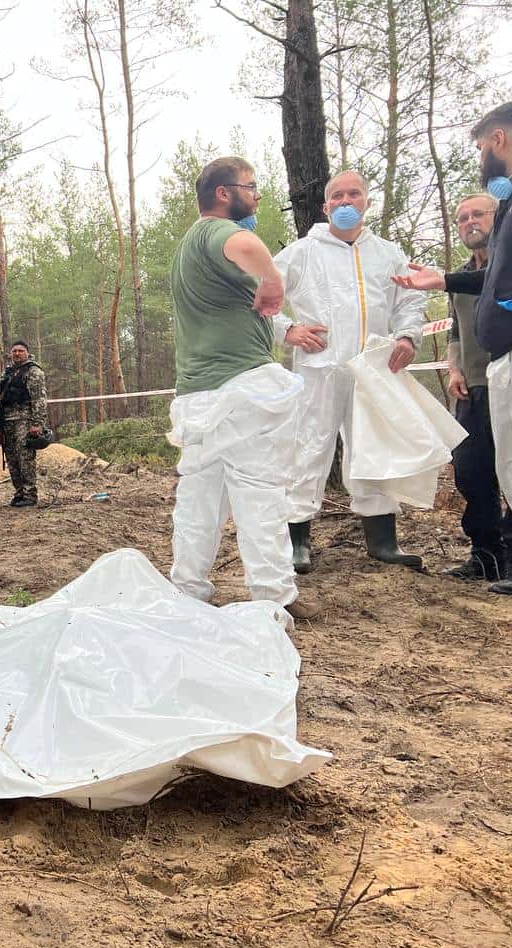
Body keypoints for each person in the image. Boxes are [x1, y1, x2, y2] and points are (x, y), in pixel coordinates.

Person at [393, 100, 512, 619]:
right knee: (510, 469)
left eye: (479, 148)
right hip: (501, 359)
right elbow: (491, 282)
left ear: (498, 139)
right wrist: (444, 280)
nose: (480, 158)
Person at [167, 156, 316, 621]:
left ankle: (187, 589)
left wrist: (284, 327)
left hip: (199, 394)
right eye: (251, 188)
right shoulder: (217, 232)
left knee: (200, 498)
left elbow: (231, 307)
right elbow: (247, 245)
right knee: (260, 492)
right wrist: (273, 280)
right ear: (224, 193)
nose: (256, 197)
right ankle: (274, 597)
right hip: (241, 391)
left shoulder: (190, 247)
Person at [273, 170, 427, 573]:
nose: (345, 202)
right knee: (308, 446)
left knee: (373, 446)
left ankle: (383, 541)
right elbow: (259, 294)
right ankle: (296, 540)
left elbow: (409, 300)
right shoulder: (301, 252)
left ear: (367, 202)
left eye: (353, 194)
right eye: (337, 196)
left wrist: (407, 336)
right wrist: (288, 329)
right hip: (319, 369)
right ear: (326, 207)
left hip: (373, 368)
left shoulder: (388, 253)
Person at [443, 193, 512, 581]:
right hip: (472, 387)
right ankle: (485, 554)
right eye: (462, 218)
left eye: (478, 214)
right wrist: (454, 369)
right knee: (470, 471)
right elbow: (455, 329)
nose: (469, 222)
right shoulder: (460, 276)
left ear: (499, 218)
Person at [0, 340, 48, 507]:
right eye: (14, 351)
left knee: (25, 457)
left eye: (20, 351)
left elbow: (39, 399)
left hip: (25, 420)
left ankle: (30, 494)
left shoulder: (33, 372)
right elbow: (0, 395)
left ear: (27, 353)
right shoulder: (8, 372)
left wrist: (37, 423)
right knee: (12, 458)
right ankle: (19, 492)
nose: (17, 354)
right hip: (7, 421)